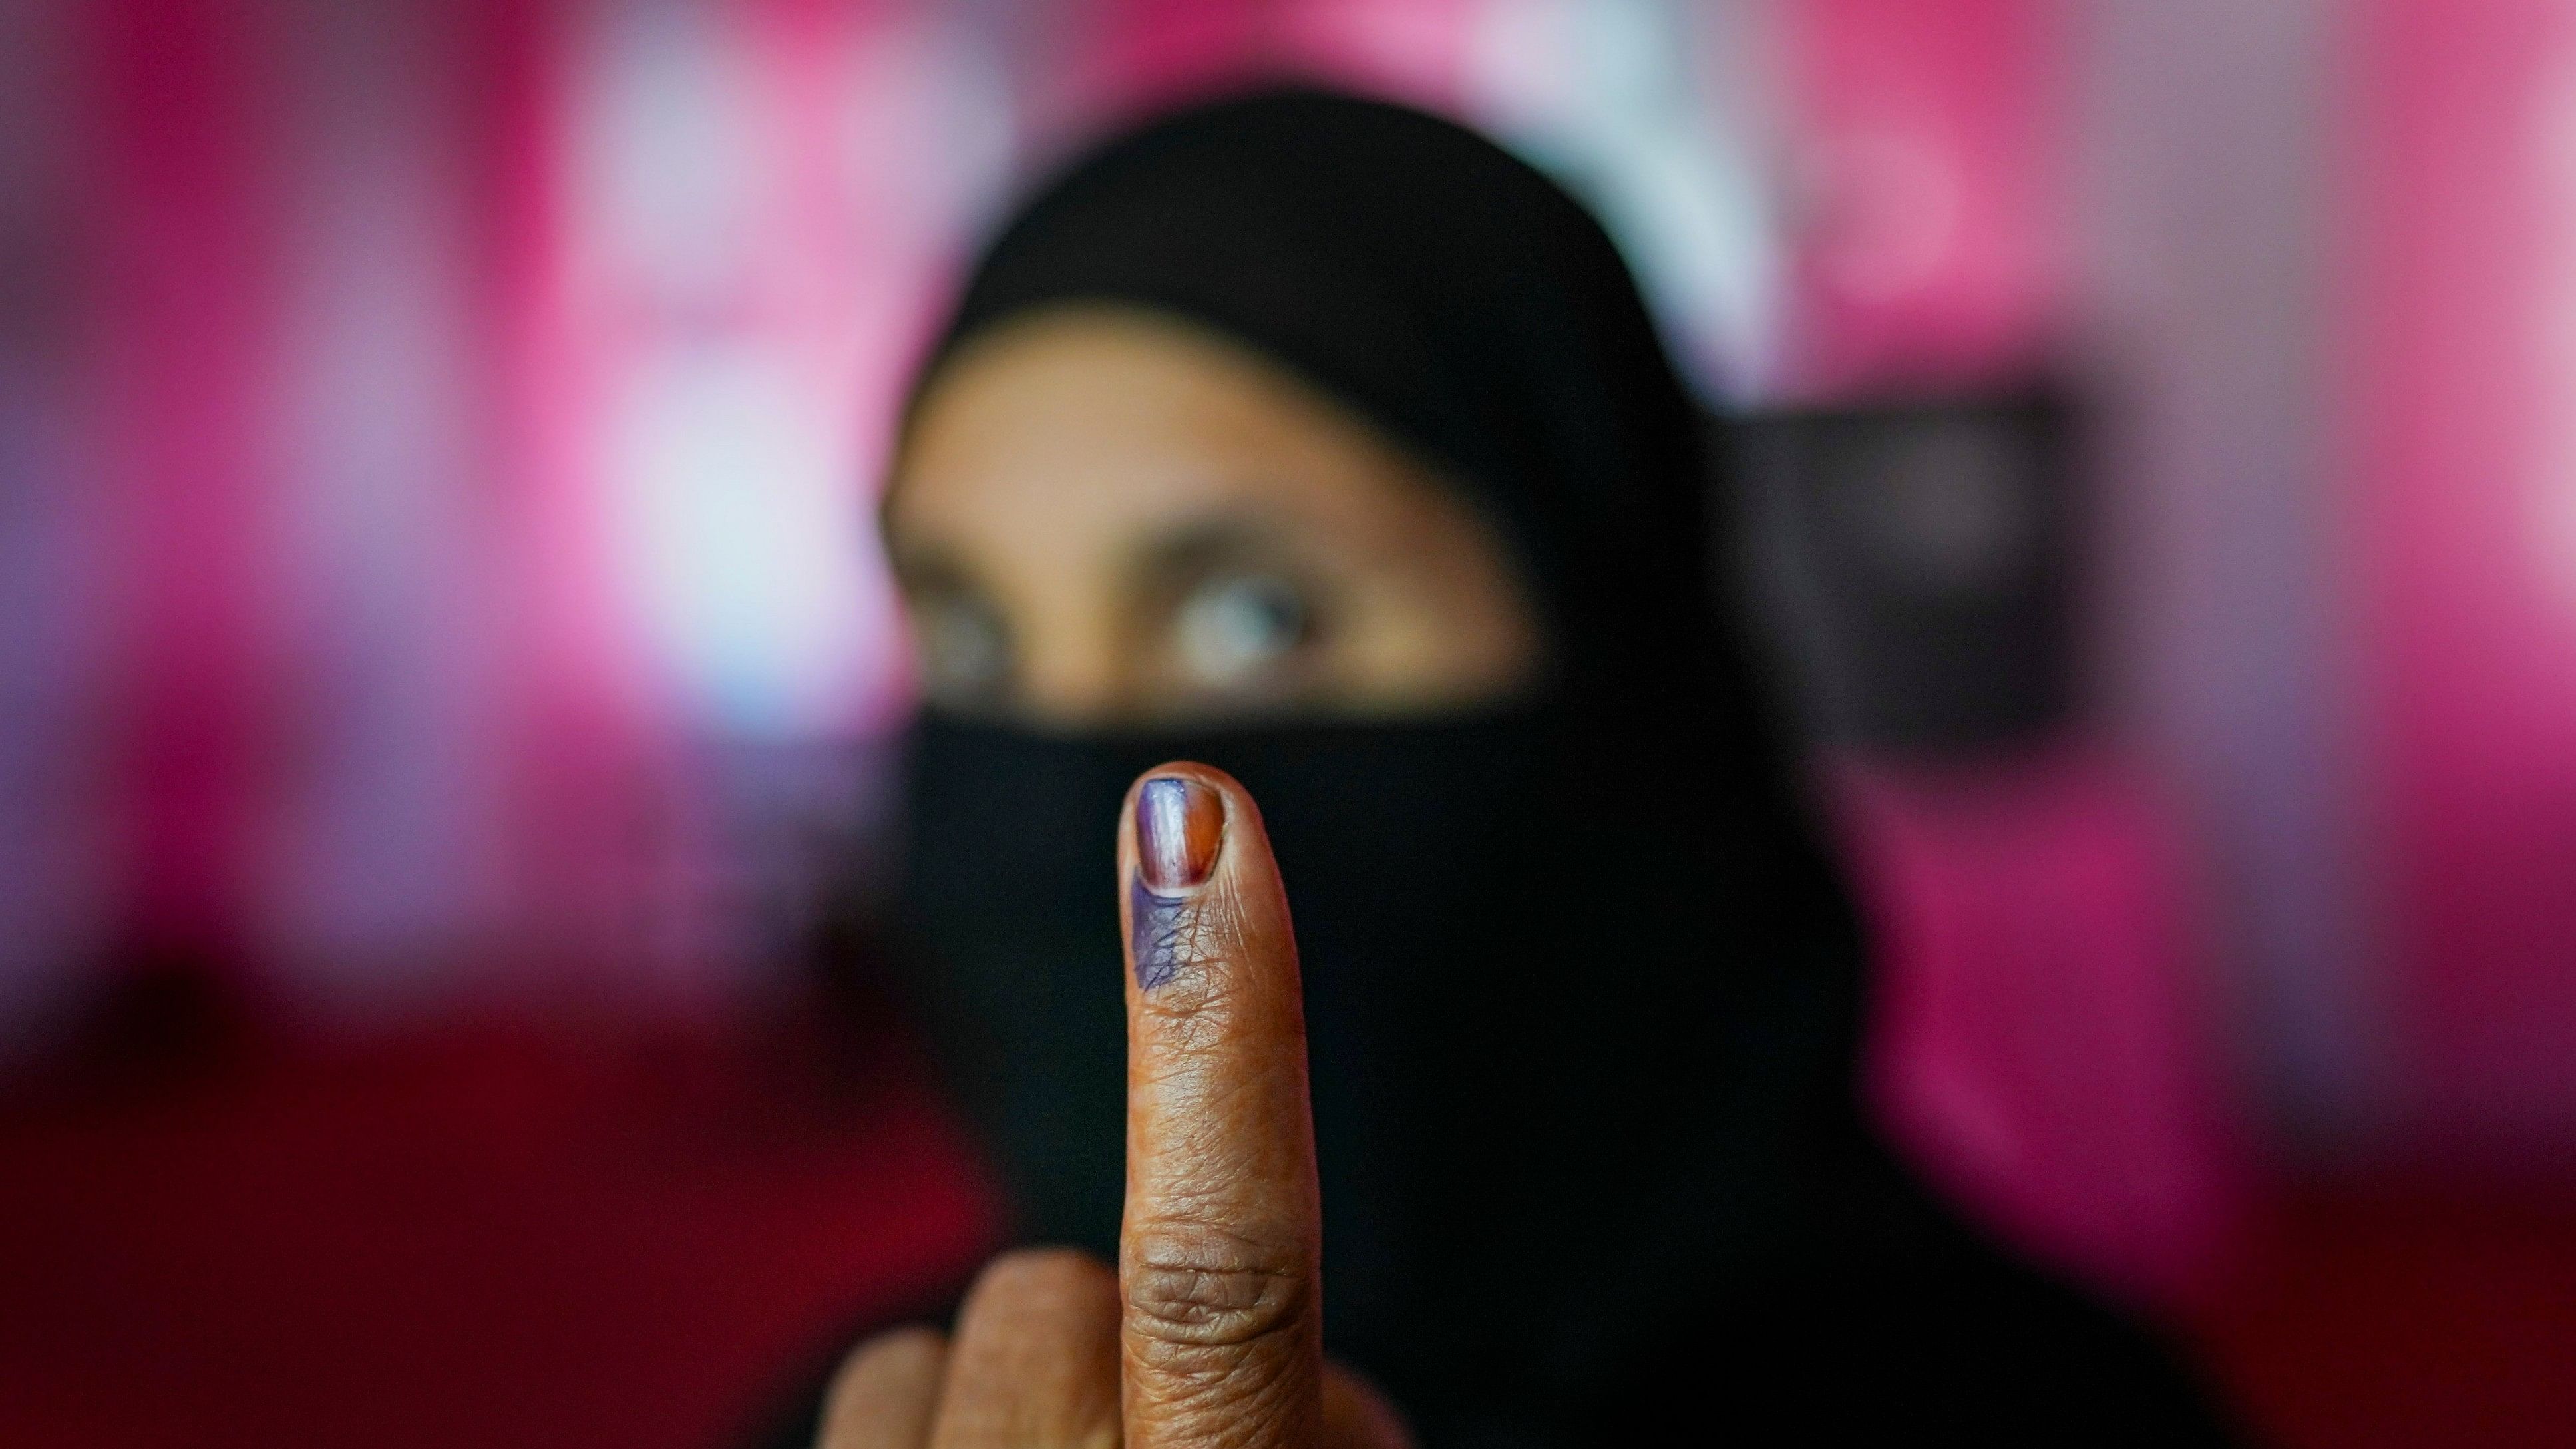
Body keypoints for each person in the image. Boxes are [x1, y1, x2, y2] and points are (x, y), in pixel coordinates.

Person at [817, 87, 2235, 1444]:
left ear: (1618, 674)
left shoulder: (2048, 1418)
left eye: (1254, 619)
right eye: (973, 634)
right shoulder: (872, 1415)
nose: (1065, 783)